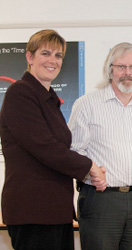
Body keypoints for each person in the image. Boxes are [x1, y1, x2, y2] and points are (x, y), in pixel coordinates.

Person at [0, 29, 107, 250]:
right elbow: (44, 147)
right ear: (30, 57)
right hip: (32, 211)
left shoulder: (49, 100)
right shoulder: (20, 93)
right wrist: (90, 167)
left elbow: (57, 149)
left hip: (53, 210)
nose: (53, 61)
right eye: (45, 53)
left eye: (58, 56)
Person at [68, 42, 132, 250]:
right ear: (110, 69)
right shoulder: (87, 104)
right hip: (100, 201)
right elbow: (73, 151)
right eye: (121, 67)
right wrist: (92, 174)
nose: (128, 73)